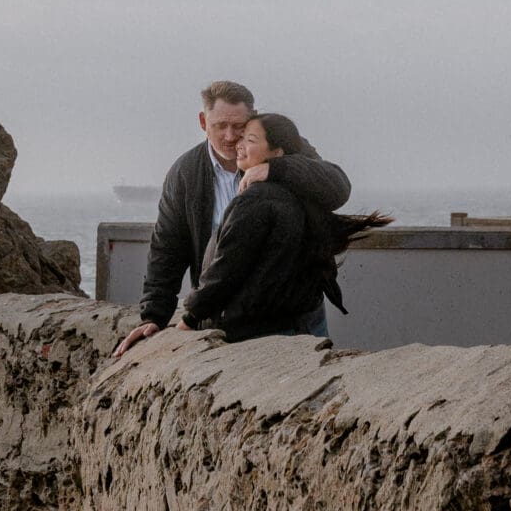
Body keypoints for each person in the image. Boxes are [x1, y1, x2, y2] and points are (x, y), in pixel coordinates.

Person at [112, 80, 352, 357]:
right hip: (229, 317)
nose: (229, 136)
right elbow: (167, 249)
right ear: (203, 122)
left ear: (253, 118)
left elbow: (338, 186)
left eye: (239, 127)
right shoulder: (185, 173)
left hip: (297, 313)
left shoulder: (281, 145)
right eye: (219, 126)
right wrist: (153, 316)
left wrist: (276, 169)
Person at [181, 112, 390, 344]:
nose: (236, 143)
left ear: (277, 153)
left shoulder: (256, 199)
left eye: (249, 139)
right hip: (297, 320)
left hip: (262, 329)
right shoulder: (298, 191)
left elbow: (227, 269)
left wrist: (190, 318)